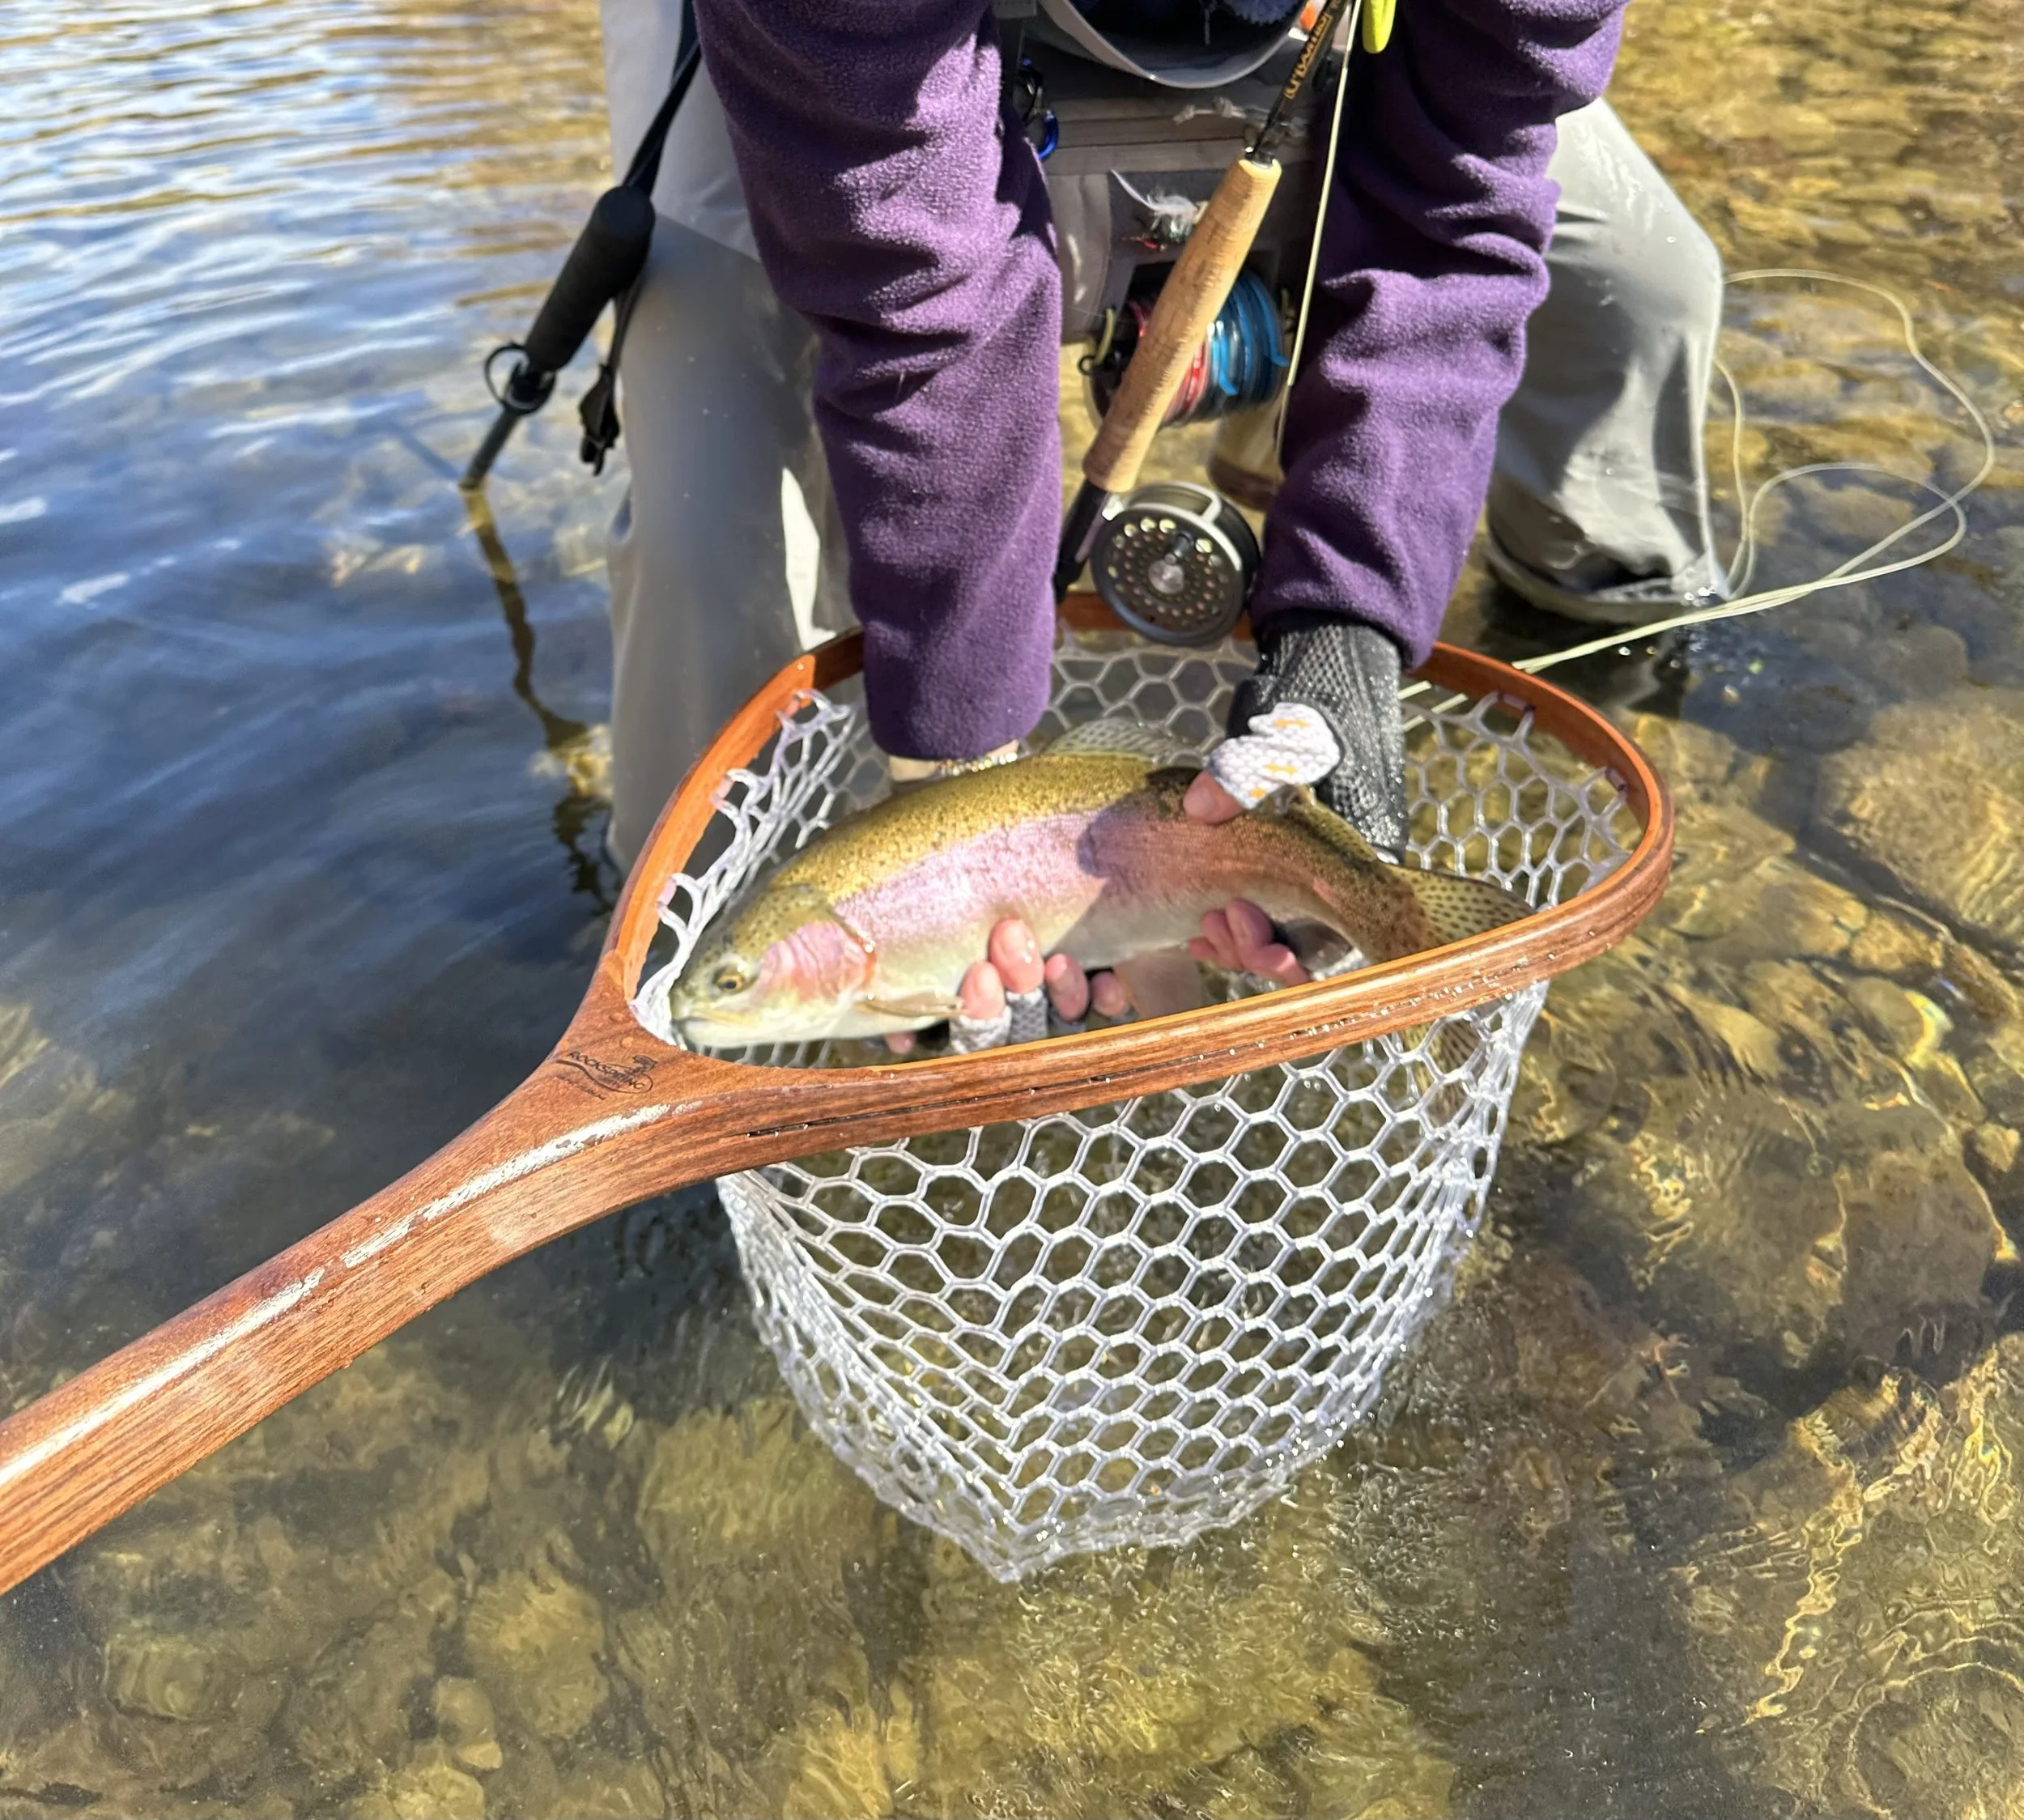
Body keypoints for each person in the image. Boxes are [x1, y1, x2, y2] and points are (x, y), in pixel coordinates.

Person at [596, 0, 1724, 1048]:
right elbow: (912, 291)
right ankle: (678, 1003)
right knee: (709, 535)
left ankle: (1625, 655)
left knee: (1650, 293)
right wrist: (959, 742)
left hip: (1332, 52)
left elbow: (1461, 200)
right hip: (834, 69)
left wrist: (1349, 623)